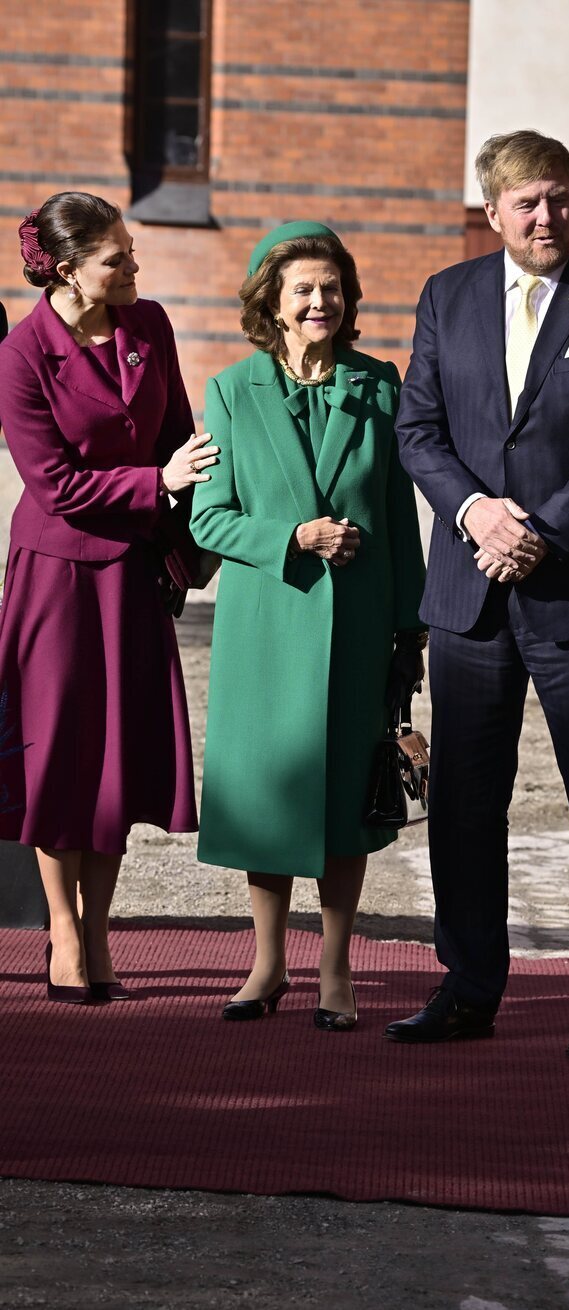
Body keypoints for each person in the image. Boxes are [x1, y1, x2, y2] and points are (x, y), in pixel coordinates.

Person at [388, 130, 569, 1050]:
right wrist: (476, 515)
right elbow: (419, 429)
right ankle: (468, 988)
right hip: (468, 595)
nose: (548, 217)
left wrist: (541, 530)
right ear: (494, 210)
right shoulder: (447, 295)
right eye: (528, 203)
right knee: (466, 801)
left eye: (560, 198)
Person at [190, 221, 426, 1030]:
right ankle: (265, 965)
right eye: (304, 290)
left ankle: (334, 969)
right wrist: (291, 538)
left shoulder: (381, 386)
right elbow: (208, 521)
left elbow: (400, 520)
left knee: (347, 801)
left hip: (359, 629)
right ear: (274, 304)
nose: (321, 301)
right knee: (268, 799)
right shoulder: (229, 391)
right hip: (267, 627)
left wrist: (409, 630)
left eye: (332, 288)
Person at [0, 192, 206, 1001]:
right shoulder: (21, 352)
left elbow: (178, 431)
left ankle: (99, 931)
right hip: (55, 574)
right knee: (58, 756)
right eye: (116, 257)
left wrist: (188, 525)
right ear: (70, 270)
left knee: (119, 753)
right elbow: (51, 484)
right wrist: (157, 483)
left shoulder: (149, 325)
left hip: (132, 569)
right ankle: (60, 930)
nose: (134, 267)